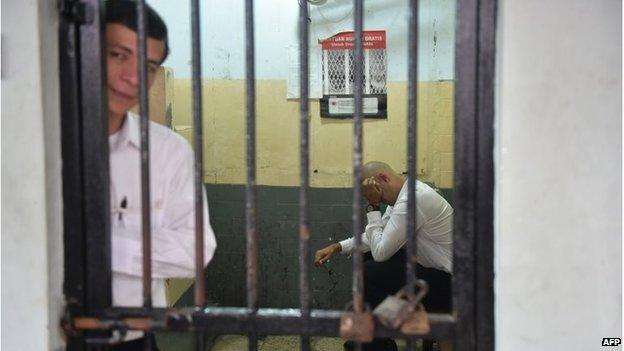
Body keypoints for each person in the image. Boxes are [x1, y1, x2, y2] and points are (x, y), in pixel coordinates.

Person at [105, 1, 217, 349]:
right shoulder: (34, 148)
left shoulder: (168, 151)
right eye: (118, 55)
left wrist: (101, 247)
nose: (133, 77)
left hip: (132, 337)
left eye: (148, 65)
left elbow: (197, 249)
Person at [314, 161, 453, 351]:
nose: (370, 196)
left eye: (371, 191)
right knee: (367, 260)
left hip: (450, 282)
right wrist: (337, 247)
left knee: (370, 271)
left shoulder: (415, 199)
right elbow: (377, 238)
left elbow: (380, 251)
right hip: (430, 272)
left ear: (384, 178)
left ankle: (382, 336)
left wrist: (373, 206)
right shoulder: (400, 198)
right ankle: (377, 339)